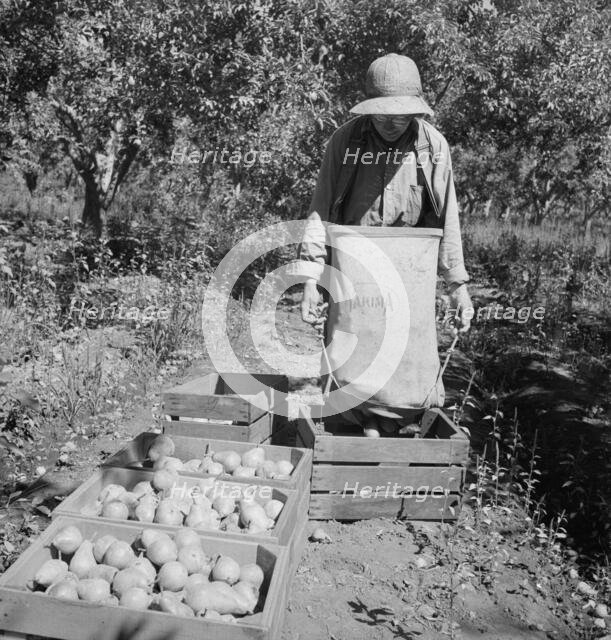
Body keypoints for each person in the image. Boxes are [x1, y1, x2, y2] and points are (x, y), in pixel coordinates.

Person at [297, 53, 473, 437]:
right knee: (348, 352)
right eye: (382, 114)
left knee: (406, 359)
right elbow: (320, 210)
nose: (392, 123)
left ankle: (396, 432)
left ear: (417, 111)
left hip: (410, 270)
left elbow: (448, 219)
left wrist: (458, 287)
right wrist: (311, 277)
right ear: (368, 110)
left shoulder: (433, 146)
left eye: (401, 115)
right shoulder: (344, 142)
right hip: (354, 268)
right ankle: (349, 438)